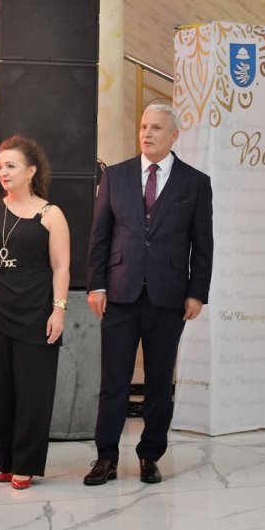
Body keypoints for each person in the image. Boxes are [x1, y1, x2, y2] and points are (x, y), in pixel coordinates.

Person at [84, 100, 213, 486]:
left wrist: (197, 293)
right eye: (143, 126)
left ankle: (149, 455)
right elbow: (100, 236)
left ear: (174, 135)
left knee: (159, 382)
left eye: (156, 128)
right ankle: (105, 457)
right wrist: (96, 284)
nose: (146, 133)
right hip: (119, 293)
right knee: (114, 381)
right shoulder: (116, 176)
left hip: (169, 297)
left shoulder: (195, 182)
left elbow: (202, 244)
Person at [0, 135, 70, 490]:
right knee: (1, 389)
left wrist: (59, 310)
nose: (2, 172)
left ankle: (26, 463)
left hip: (36, 312)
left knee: (34, 391)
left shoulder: (51, 214)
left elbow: (61, 267)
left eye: (11, 166)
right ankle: (6, 460)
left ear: (31, 171)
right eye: (0, 166)